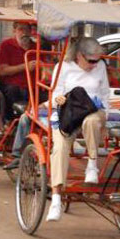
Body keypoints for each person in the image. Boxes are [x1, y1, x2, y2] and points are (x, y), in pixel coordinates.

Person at [46, 37, 110, 222]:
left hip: (93, 112)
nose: (94, 64)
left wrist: (103, 111)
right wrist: (64, 102)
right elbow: (55, 95)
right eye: (91, 61)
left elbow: (105, 94)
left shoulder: (101, 67)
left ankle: (92, 164)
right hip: (69, 113)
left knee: (91, 122)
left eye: (97, 60)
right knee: (59, 148)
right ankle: (56, 197)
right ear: (79, 56)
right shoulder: (63, 67)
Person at [0, 22, 36, 119]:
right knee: (12, 90)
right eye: (21, 29)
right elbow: (2, 70)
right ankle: (10, 120)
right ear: (14, 31)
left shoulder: (36, 46)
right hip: (12, 86)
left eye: (27, 29)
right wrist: (25, 66)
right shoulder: (6, 45)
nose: (25, 33)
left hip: (33, 86)